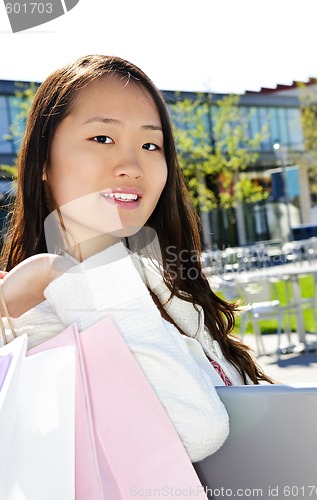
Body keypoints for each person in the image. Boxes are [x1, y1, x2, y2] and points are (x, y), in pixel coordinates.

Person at [0, 54, 273, 465]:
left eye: (151, 144)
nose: (131, 166)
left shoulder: (160, 280)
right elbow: (196, 429)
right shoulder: (38, 309)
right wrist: (61, 268)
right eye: (102, 139)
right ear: (42, 161)